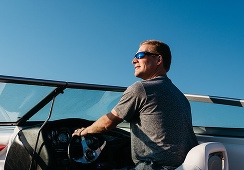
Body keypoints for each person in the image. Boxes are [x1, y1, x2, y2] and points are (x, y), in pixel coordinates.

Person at [72, 40, 197, 169]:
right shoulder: (181, 97)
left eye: (140, 56)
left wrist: (84, 131)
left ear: (158, 60)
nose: (133, 61)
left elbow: (107, 123)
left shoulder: (142, 88)